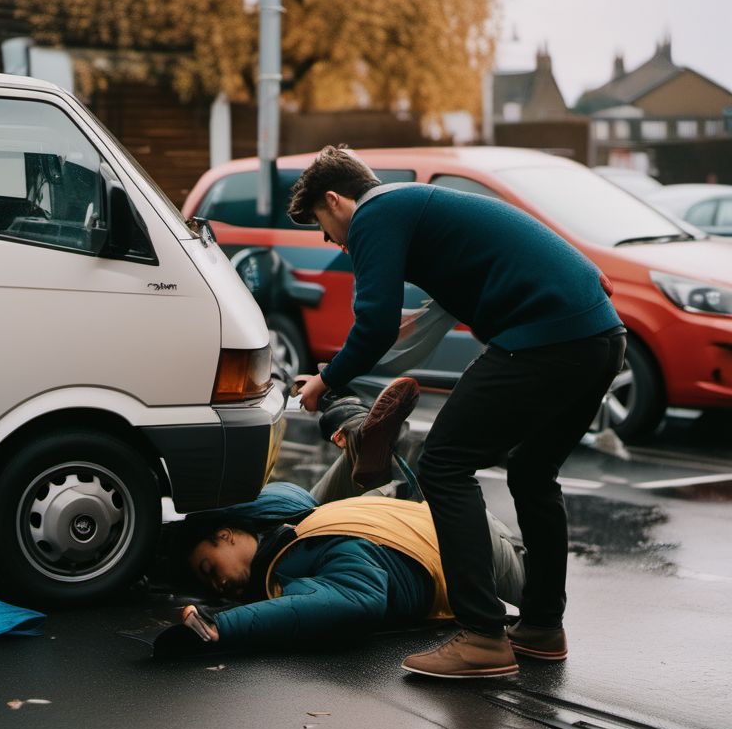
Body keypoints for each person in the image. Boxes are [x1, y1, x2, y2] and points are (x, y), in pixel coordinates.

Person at [289, 146, 626, 679]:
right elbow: (520, 237)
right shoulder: (418, 204)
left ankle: (482, 636)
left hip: (544, 342)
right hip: (600, 337)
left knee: (444, 463)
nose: (330, 241)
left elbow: (374, 322)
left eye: (323, 226)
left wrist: (327, 380)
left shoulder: (376, 213)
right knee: (535, 474)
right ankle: (540, 626)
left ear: (336, 198)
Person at [155, 384, 527, 659]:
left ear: (226, 534)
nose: (216, 584)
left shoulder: (290, 542)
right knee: (322, 507)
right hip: (404, 517)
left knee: (536, 596)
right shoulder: (290, 537)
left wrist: (220, 626)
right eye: (207, 581)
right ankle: (351, 419)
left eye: (208, 567)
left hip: (471, 545)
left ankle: (357, 429)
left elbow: (357, 600)